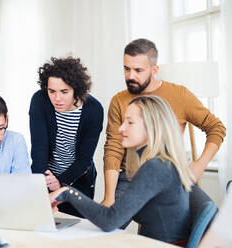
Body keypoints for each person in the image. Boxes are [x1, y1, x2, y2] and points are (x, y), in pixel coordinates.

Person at [50, 95, 195, 246]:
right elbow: (117, 216)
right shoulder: (164, 164)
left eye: (130, 122)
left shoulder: (156, 167)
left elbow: (110, 221)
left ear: (152, 126)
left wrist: (67, 192)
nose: (121, 128)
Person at [101, 38, 226, 208]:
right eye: (126, 69)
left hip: (171, 177)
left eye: (138, 70)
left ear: (155, 69)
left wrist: (200, 164)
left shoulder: (179, 95)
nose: (131, 76)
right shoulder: (119, 101)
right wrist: (109, 197)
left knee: (208, 214)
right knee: (107, 226)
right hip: (131, 178)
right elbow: (113, 149)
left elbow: (216, 127)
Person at [29, 56, 104, 217]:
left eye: (64, 92)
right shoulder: (39, 100)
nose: (57, 98)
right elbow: (39, 147)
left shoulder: (94, 110)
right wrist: (42, 181)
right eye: (52, 91)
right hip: (45, 178)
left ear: (76, 89)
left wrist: (61, 182)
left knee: (75, 234)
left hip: (78, 182)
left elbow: (84, 159)